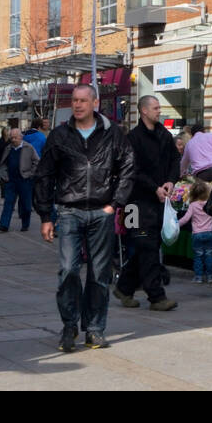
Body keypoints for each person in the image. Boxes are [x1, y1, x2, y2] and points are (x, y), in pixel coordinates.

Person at [35, 84, 136, 352]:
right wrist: (46, 215)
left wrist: (114, 204)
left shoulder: (113, 133)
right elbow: (44, 175)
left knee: (99, 274)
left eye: (82, 100)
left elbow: (127, 168)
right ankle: (70, 326)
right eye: (74, 100)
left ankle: (94, 329)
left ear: (95, 103)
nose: (77, 105)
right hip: (69, 211)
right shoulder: (59, 135)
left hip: (101, 212)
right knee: (68, 270)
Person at [115, 95, 179, 311]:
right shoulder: (133, 138)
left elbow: (174, 160)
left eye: (159, 107)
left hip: (159, 202)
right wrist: (154, 188)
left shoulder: (164, 134)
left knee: (148, 247)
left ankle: (124, 287)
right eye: (155, 107)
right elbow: (133, 171)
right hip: (136, 203)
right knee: (147, 246)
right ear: (143, 111)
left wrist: (171, 180)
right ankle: (157, 297)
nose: (159, 111)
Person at [0, 127, 38, 232]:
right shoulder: (8, 148)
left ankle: (25, 224)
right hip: (11, 181)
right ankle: (4, 225)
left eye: (15, 137)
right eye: (11, 137)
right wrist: (5, 175)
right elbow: (3, 163)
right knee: (8, 203)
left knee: (26, 205)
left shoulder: (29, 147)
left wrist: (30, 174)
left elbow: (37, 162)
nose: (13, 140)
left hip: (25, 180)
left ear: (21, 137)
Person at [177, 180, 212, 283]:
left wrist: (176, 224)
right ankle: (210, 276)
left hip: (197, 234)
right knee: (209, 255)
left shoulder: (193, 205)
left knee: (198, 256)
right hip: (210, 233)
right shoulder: (210, 204)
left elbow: (185, 219)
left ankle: (198, 277)